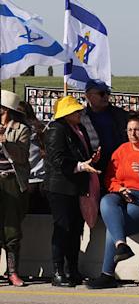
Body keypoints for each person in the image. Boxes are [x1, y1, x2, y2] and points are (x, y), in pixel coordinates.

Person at [87, 113, 139, 289]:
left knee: (115, 225)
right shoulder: (122, 150)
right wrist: (119, 189)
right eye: (130, 130)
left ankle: (107, 274)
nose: (133, 133)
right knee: (107, 201)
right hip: (122, 195)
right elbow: (109, 178)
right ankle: (121, 245)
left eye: (137, 129)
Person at [44, 96, 100, 287]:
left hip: (76, 185)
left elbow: (79, 154)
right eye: (76, 111)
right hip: (60, 187)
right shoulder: (56, 130)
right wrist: (81, 166)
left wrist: (90, 160)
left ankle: (73, 269)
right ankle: (58, 271)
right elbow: (57, 160)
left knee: (76, 228)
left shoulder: (78, 128)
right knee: (63, 228)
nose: (80, 113)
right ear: (67, 114)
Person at [1, 90, 31, 286]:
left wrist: (6, 142)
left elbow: (22, 156)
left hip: (11, 181)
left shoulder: (21, 129)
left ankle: (12, 271)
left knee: (11, 228)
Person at [79, 80, 128, 174]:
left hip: (118, 164)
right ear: (88, 96)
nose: (106, 96)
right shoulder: (80, 117)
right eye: (101, 93)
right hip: (93, 166)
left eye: (108, 93)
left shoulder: (120, 115)